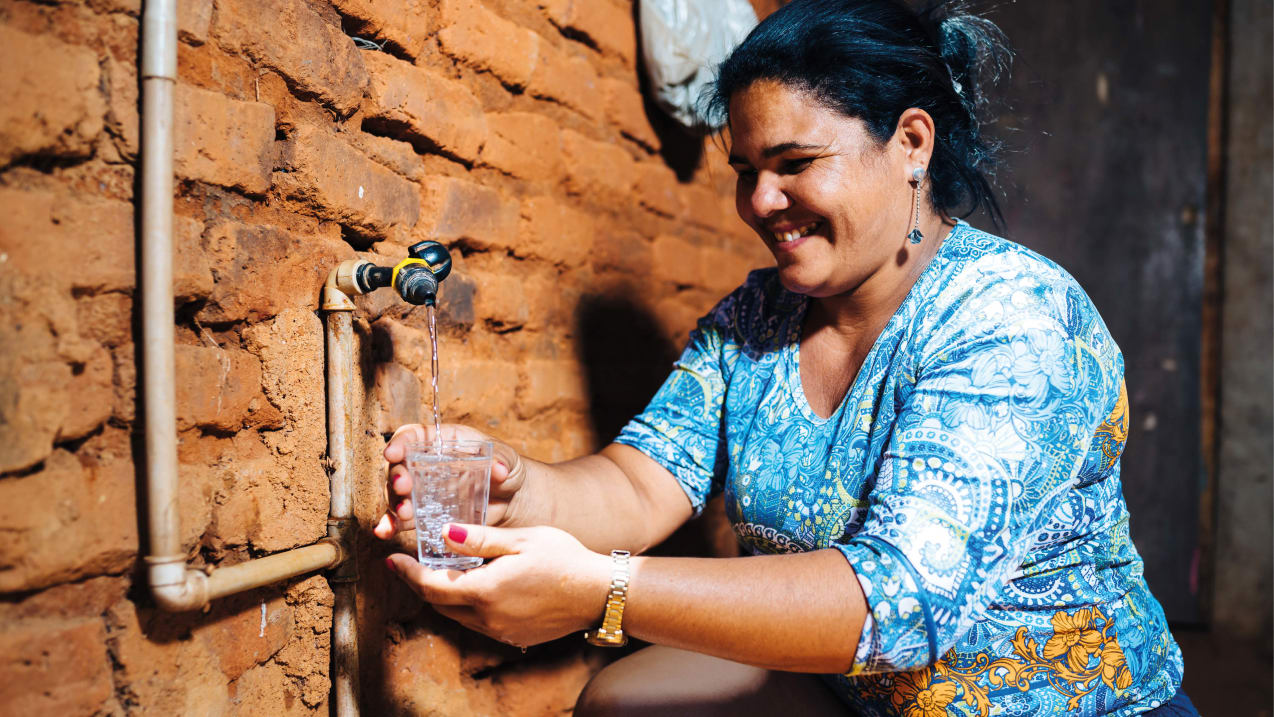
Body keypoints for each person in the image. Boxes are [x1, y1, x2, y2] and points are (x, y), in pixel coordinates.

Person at [375, 1, 1197, 714]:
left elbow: (892, 606)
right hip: (857, 694)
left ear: (911, 142)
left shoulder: (1013, 317)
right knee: (624, 699)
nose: (760, 202)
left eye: (796, 165)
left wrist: (602, 590)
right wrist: (512, 490)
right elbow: (636, 484)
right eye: (746, 171)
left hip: (1045, 705)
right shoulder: (756, 317)